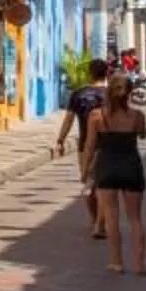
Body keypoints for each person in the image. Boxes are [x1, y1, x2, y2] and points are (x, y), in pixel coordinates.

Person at [84, 74, 146, 275]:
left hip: (106, 167)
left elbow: (90, 146)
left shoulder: (96, 116)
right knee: (135, 218)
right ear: (130, 93)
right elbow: (142, 134)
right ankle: (140, 264)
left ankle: (116, 262)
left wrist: (85, 170)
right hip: (131, 167)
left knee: (111, 219)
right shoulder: (138, 116)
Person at [55, 65, 110, 238]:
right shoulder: (113, 93)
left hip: (85, 145)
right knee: (104, 186)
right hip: (109, 145)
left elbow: (69, 119)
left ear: (90, 73)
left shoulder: (79, 94)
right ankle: (100, 223)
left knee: (89, 183)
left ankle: (94, 220)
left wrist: (60, 139)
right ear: (107, 73)